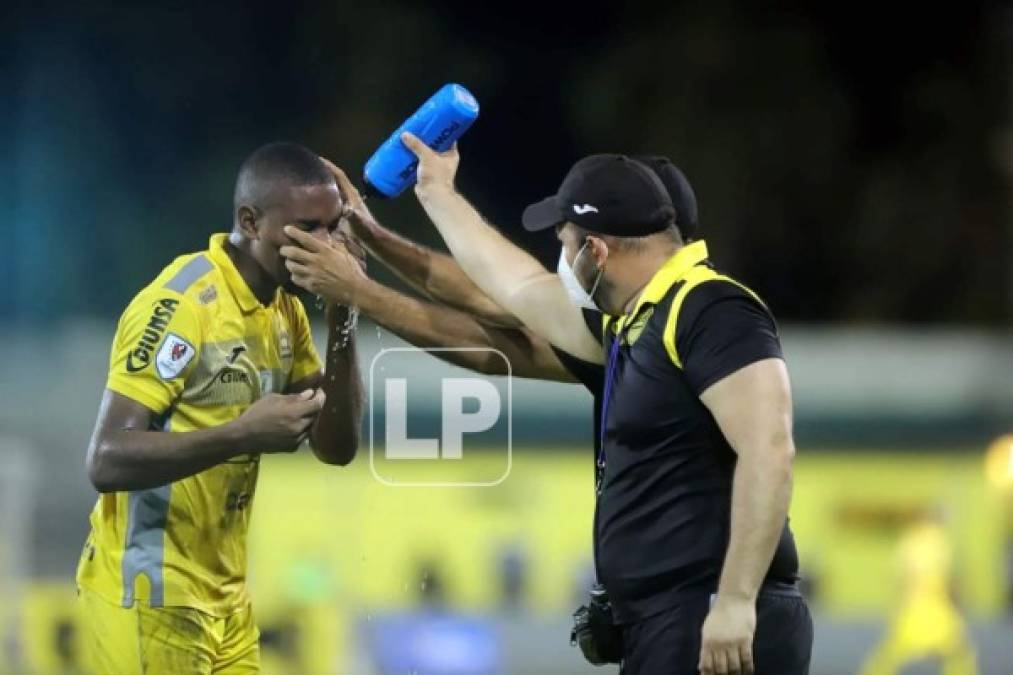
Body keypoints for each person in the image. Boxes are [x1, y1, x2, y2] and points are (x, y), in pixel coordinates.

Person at [396, 134, 812, 674]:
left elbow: (771, 451)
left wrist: (734, 601)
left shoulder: (711, 308)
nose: (559, 261)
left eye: (565, 243)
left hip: (712, 616)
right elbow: (515, 285)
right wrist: (437, 194)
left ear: (597, 250)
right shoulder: (633, 321)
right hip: (668, 619)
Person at [75, 142, 365, 674]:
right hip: (150, 595)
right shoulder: (181, 305)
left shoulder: (285, 310)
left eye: (333, 228)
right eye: (308, 228)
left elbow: (336, 445)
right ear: (251, 222)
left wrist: (346, 309)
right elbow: (106, 459)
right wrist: (241, 434)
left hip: (227, 605)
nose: (327, 246)